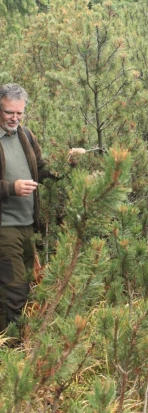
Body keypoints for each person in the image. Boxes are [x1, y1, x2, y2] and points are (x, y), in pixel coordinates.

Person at [0, 83, 82, 336]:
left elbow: (42, 171)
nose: (14, 118)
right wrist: (11, 188)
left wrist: (67, 163)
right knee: (14, 289)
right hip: (4, 227)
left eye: (19, 113)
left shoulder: (25, 135)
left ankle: (14, 342)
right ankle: (9, 346)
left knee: (23, 285)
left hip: (26, 225)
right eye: (8, 112)